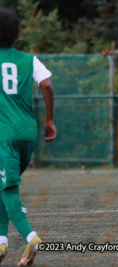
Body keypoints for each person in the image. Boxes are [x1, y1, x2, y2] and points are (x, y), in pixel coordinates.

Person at [0, 7, 57, 265]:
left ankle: (31, 238)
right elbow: (46, 85)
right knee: (3, 186)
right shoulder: (29, 59)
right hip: (27, 132)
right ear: (17, 33)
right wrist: (49, 120)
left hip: (3, 135)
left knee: (9, 188)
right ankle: (1, 244)